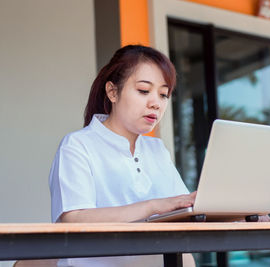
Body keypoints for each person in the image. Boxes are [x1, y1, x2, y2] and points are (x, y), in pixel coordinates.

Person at [49, 45, 196, 267]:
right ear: (113, 92)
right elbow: (74, 218)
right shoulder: (78, 145)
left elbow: (184, 209)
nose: (156, 103)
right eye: (144, 91)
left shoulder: (157, 149)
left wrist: (242, 214)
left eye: (164, 94)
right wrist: (152, 206)